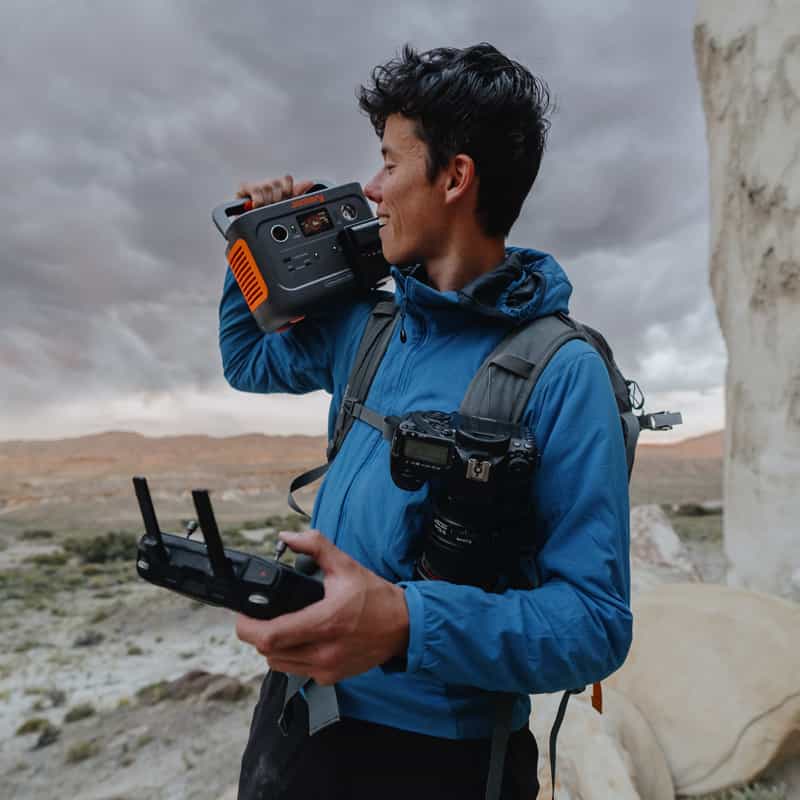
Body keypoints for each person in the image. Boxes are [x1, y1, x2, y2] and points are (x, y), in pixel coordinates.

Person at [220, 42, 632, 800]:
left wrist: (406, 622)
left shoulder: (560, 373)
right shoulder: (370, 326)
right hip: (296, 719)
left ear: (454, 177)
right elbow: (246, 359)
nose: (372, 188)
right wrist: (249, 241)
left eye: (388, 161)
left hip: (438, 761)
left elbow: (596, 626)